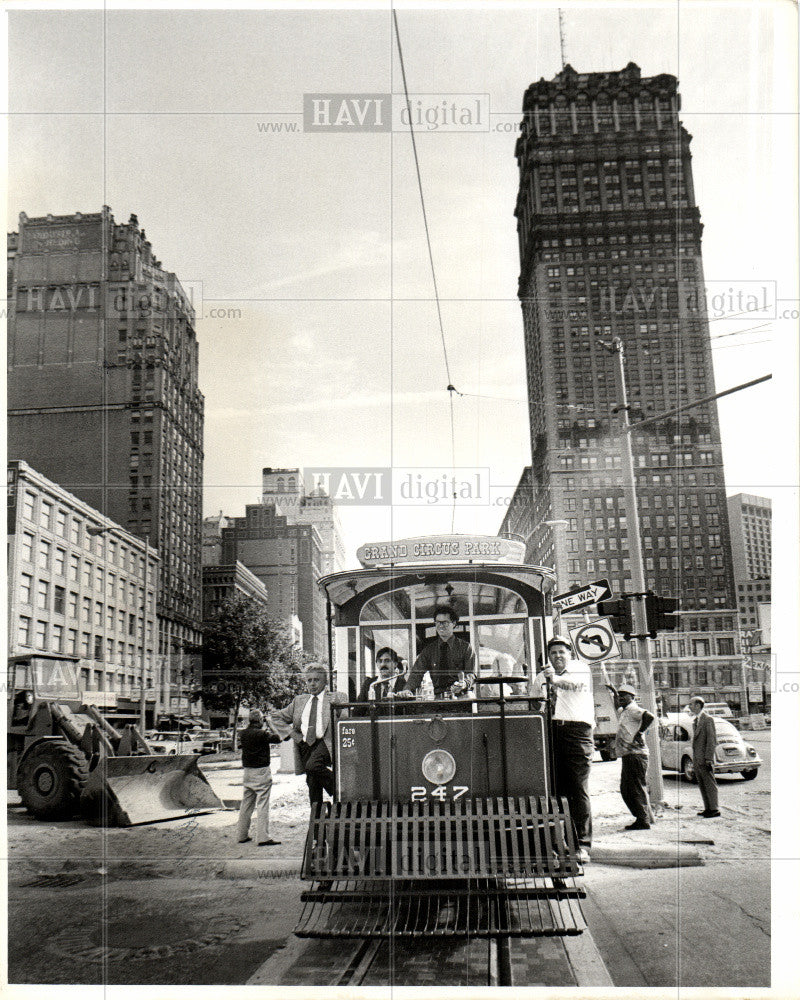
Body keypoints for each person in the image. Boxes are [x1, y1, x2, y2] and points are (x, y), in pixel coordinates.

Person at [531, 635, 594, 863]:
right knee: (555, 790)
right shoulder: (542, 676)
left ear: (570, 653)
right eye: (553, 652)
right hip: (552, 730)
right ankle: (559, 843)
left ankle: (582, 846)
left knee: (578, 789)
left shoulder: (580, 668)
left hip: (577, 732)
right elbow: (533, 701)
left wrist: (553, 680)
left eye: (562, 651)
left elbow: (574, 685)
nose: (558, 656)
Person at [269, 663, 348, 815]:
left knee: (312, 766)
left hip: (326, 742)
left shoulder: (337, 697)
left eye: (316, 680)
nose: (312, 684)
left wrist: (337, 706)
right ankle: (318, 828)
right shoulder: (299, 701)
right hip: (306, 745)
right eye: (309, 680)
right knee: (313, 784)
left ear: (325, 681)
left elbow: (345, 720)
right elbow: (275, 717)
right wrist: (293, 734)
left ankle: (339, 790)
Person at [398, 603, 476, 699]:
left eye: (445, 622)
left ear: (454, 623)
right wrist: (408, 689)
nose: (440, 626)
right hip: (439, 699)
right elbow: (416, 673)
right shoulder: (428, 651)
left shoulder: (466, 648)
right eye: (437, 622)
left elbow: (471, 674)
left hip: (463, 697)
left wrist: (463, 683)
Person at [607, 681, 654, 830]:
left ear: (632, 697)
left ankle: (643, 819)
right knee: (626, 788)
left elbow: (649, 716)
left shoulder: (633, 709)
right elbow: (617, 706)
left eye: (624, 696)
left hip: (636, 755)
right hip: (629, 755)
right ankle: (641, 817)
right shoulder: (625, 711)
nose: (621, 698)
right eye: (620, 696)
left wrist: (639, 732)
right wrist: (615, 693)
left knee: (635, 788)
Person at [236, 708, 282, 846]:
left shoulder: (243, 734)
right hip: (261, 771)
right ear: (261, 720)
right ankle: (263, 837)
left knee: (246, 804)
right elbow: (278, 738)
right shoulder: (261, 734)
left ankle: (241, 835)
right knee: (262, 804)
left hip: (248, 771)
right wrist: (271, 724)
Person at [688, 695, 720, 817]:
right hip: (697, 758)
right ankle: (708, 808)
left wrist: (708, 758)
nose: (689, 706)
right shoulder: (696, 721)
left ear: (698, 705)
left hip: (705, 758)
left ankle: (714, 809)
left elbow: (711, 740)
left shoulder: (707, 720)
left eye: (691, 704)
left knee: (709, 783)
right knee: (702, 784)